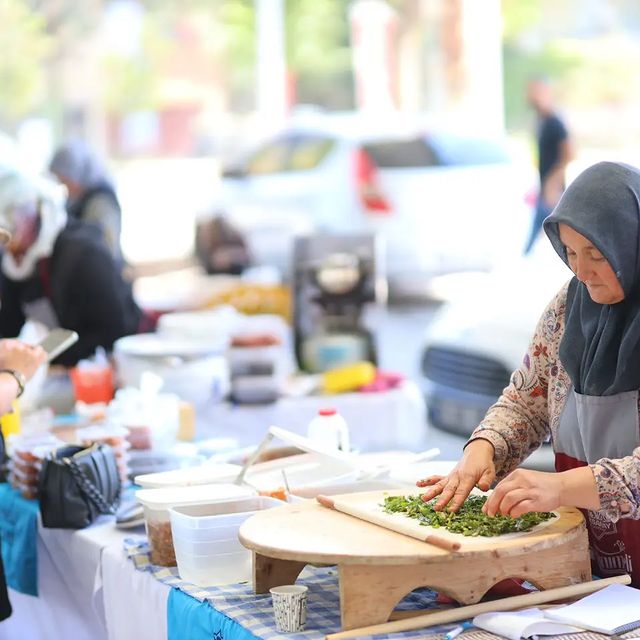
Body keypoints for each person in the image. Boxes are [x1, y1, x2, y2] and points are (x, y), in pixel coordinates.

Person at [418, 161, 640, 586]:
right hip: (593, 567)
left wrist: (559, 488)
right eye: (570, 253)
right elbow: (527, 399)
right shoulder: (568, 308)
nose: (581, 270)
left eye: (597, 254)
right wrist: (484, 448)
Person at [0, 169, 141, 367]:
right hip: (61, 369)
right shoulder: (16, 263)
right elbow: (9, 325)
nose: (9, 236)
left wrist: (44, 358)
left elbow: (114, 329)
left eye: (12, 220)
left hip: (112, 366)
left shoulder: (83, 252)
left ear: (37, 210)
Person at [523, 77, 574, 255]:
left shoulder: (554, 121)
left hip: (552, 190)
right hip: (544, 187)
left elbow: (569, 153)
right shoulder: (541, 121)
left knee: (561, 234)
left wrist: (552, 183)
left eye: (537, 91)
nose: (532, 96)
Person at [49, 140, 122, 261]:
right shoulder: (76, 199)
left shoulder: (100, 203)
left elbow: (105, 247)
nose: (63, 185)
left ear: (76, 175)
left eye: (65, 180)